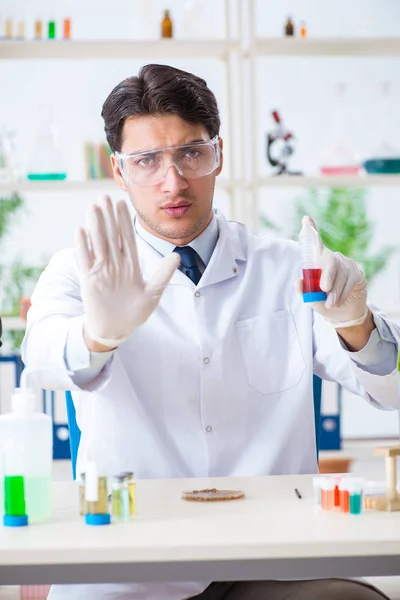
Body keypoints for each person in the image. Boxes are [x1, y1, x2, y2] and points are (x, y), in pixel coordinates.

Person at [22, 64, 398, 600]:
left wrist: (355, 323)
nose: (172, 182)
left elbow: (389, 387)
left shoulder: (288, 267)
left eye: (190, 153)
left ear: (219, 153)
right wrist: (98, 335)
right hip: (130, 567)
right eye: (147, 161)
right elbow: (41, 359)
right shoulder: (78, 270)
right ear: (118, 169)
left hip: (273, 561)